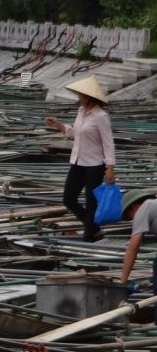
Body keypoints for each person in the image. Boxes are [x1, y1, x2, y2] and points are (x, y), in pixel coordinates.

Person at [45, 76, 115, 242]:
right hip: (77, 162)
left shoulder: (100, 116)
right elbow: (76, 134)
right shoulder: (81, 112)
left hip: (95, 165)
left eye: (80, 95)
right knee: (69, 199)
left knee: (91, 204)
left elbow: (108, 143)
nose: (78, 98)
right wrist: (60, 126)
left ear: (89, 97)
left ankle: (88, 238)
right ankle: (94, 228)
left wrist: (110, 167)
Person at [119, 189, 157, 286]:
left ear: (132, 207)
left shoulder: (142, 210)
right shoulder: (153, 206)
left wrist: (122, 281)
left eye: (130, 217)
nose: (133, 220)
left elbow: (133, 249)